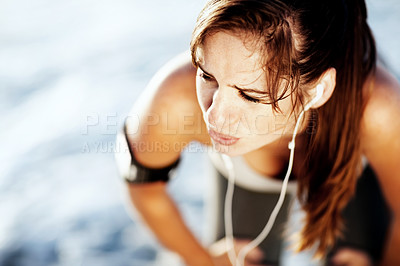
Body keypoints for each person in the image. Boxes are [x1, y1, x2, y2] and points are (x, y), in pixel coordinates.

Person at [115, 0, 400, 265]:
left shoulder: (377, 111)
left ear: (319, 91)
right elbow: (145, 190)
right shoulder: (175, 99)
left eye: (251, 96)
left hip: (355, 170)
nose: (215, 116)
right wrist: (203, 261)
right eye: (207, 75)